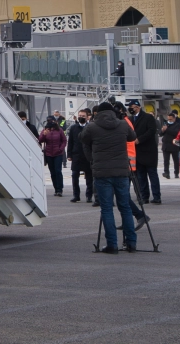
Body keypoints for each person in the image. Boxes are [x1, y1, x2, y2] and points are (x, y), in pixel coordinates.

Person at [79, 102, 137, 254]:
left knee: (106, 209)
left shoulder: (92, 127)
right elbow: (132, 137)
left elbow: (82, 138)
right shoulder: (123, 124)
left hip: (102, 172)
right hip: (121, 172)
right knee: (124, 207)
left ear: (98, 113)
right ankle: (131, 242)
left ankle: (112, 244)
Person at [127, 101, 161, 204]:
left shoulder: (148, 117)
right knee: (141, 176)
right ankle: (144, 196)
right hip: (137, 152)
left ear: (137, 107)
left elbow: (151, 131)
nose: (130, 109)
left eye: (132, 107)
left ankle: (157, 196)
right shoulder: (130, 119)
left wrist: (139, 139)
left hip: (148, 151)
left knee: (152, 174)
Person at [67, 109, 93, 203]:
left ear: (87, 117)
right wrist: (69, 154)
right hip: (76, 155)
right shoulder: (74, 127)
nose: (81, 117)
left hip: (87, 156)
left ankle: (89, 196)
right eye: (80, 115)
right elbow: (70, 142)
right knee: (75, 176)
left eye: (83, 116)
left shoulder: (90, 127)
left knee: (89, 177)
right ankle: (76, 195)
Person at [38, 118, 67, 197]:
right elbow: (40, 140)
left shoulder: (59, 130)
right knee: (52, 172)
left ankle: (60, 189)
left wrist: (60, 149)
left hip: (58, 153)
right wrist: (44, 134)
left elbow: (64, 140)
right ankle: (56, 188)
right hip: (49, 154)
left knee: (58, 171)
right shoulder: (45, 130)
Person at [160, 112, 180, 179]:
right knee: (166, 160)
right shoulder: (166, 124)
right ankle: (166, 172)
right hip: (166, 146)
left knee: (176, 160)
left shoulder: (177, 125)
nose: (169, 121)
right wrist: (163, 130)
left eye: (171, 119)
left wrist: (167, 129)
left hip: (174, 145)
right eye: (168, 119)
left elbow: (176, 133)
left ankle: (176, 173)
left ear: (174, 119)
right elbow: (160, 134)